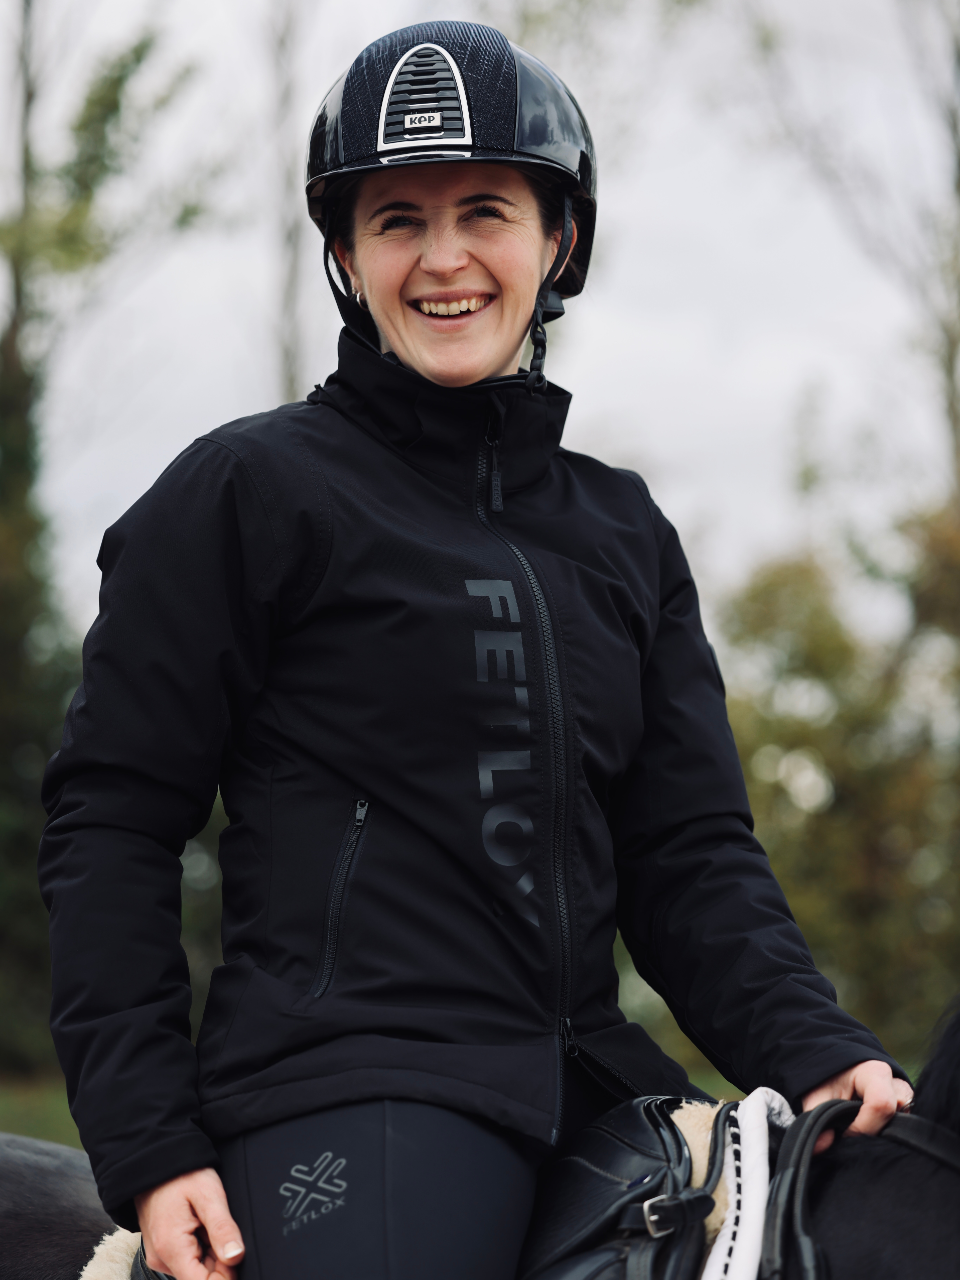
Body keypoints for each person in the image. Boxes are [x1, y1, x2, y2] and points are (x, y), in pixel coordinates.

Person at [38, 21, 913, 1280]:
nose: (443, 259)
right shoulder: (246, 491)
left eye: (485, 211)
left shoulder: (624, 531)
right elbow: (113, 820)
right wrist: (148, 1138)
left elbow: (690, 852)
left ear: (559, 240)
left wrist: (815, 1047)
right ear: (347, 255)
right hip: (352, 1081)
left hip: (594, 1080)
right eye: (397, 219)